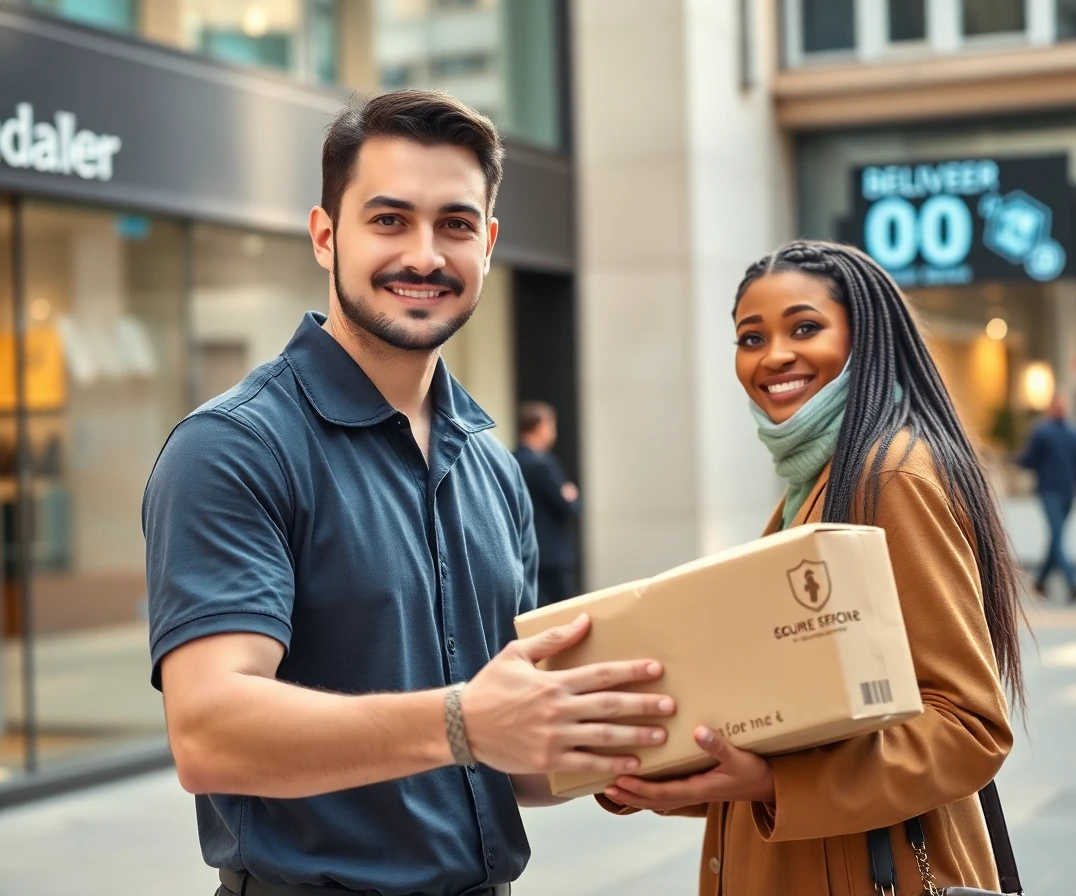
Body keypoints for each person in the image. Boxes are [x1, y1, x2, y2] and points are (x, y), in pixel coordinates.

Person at [142, 90, 676, 896]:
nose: (424, 256)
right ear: (326, 236)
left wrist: (629, 749)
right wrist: (463, 722)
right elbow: (211, 735)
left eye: (455, 224)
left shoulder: (492, 465)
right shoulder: (233, 448)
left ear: (487, 245)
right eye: (389, 220)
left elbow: (507, 757)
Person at [597, 240, 1021, 894]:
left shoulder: (891, 475)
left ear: (863, 337)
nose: (773, 356)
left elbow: (968, 727)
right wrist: (653, 765)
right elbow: (793, 722)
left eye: (804, 328)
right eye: (751, 337)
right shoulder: (814, 484)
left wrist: (775, 783)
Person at [1017, 393, 1076, 602]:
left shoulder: (1066, 433)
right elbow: (1032, 460)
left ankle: (1040, 581)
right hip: (1051, 492)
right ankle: (1073, 581)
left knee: (1056, 538)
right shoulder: (1047, 433)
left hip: (1063, 492)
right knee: (1057, 536)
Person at [513, 402, 580, 606]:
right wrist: (571, 495)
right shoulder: (543, 464)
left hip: (523, 549)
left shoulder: (511, 460)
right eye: (551, 426)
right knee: (564, 611)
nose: (554, 432)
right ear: (540, 426)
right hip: (551, 555)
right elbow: (566, 506)